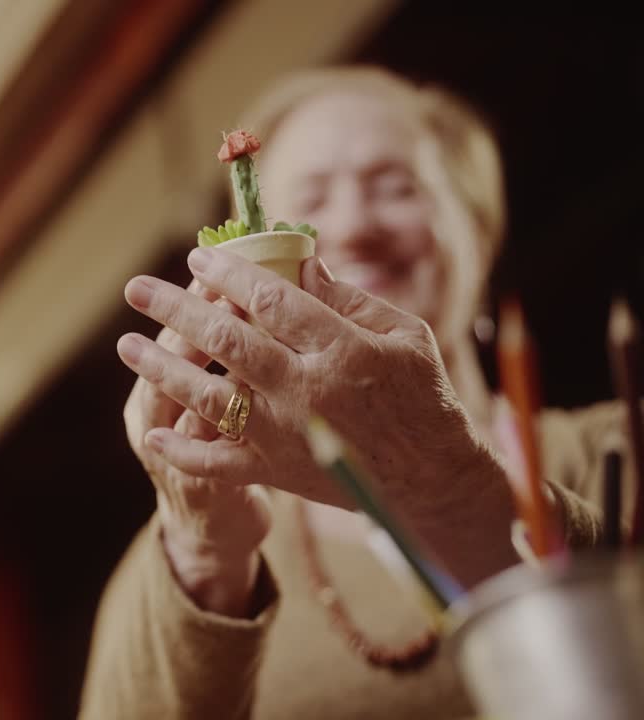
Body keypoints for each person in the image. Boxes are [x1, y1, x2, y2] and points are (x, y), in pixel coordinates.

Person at [78, 65, 630, 719]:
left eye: (396, 188)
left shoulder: (618, 448)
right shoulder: (187, 552)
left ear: (478, 237)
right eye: (308, 204)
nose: (354, 224)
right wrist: (203, 560)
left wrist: (444, 483)